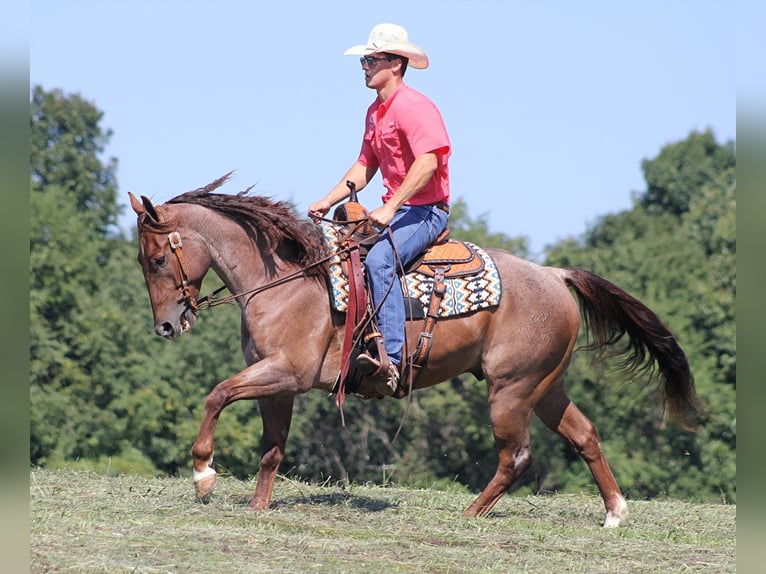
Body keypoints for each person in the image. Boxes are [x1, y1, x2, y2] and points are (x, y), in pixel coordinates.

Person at [308, 23, 451, 396]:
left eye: (372, 59)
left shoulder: (415, 107)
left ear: (396, 64)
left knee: (379, 261)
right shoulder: (375, 112)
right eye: (364, 60)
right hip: (399, 211)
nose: (366, 66)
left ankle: (390, 361)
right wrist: (328, 199)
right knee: (343, 255)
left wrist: (391, 206)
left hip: (426, 211)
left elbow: (428, 163)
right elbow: (364, 166)